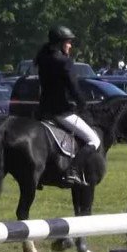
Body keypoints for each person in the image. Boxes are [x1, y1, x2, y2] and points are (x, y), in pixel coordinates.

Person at [34, 25, 100, 185]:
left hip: (42, 111)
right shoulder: (64, 62)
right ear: (60, 43)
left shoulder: (42, 58)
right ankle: (73, 171)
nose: (70, 46)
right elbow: (74, 88)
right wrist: (83, 105)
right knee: (94, 140)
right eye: (68, 42)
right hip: (61, 112)